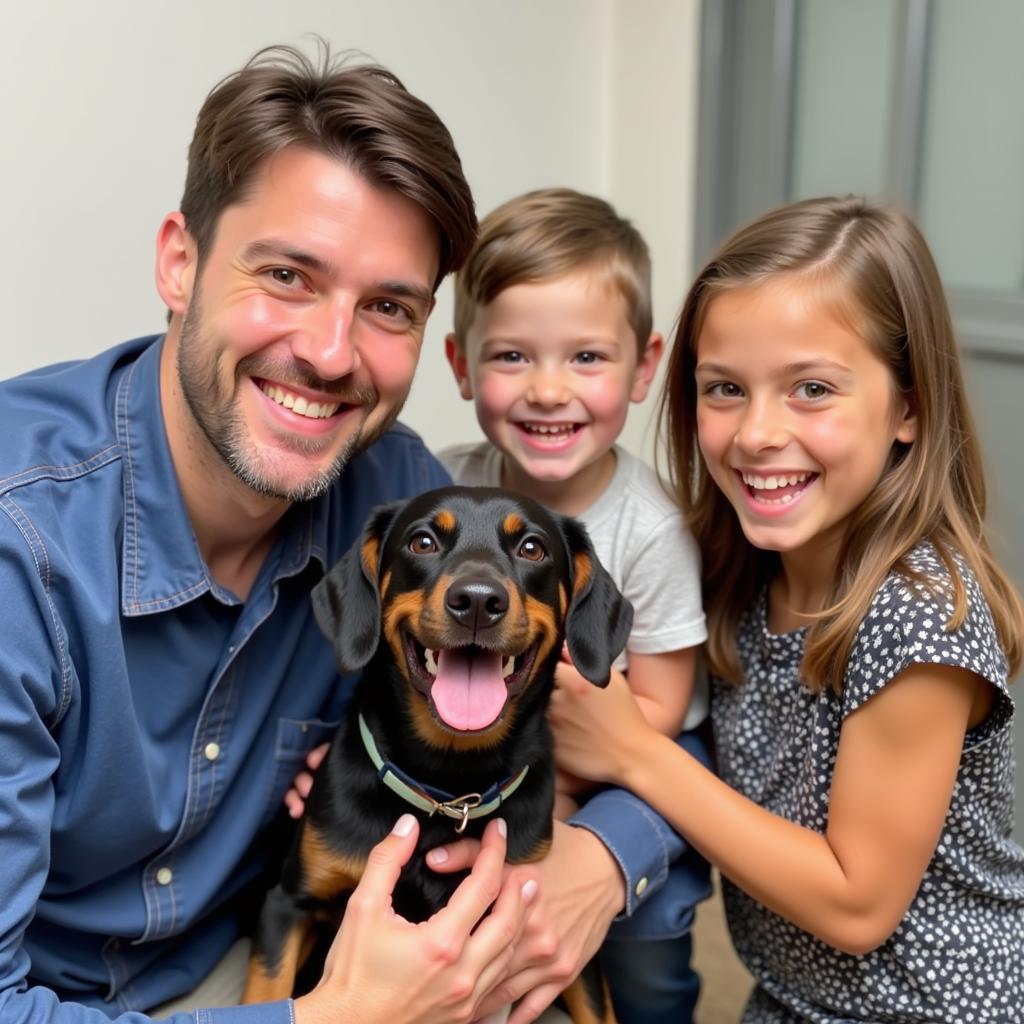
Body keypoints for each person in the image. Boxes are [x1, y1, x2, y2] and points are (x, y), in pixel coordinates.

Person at [0, 42, 683, 1024]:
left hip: (243, 962)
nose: (328, 353)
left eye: (387, 306)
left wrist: (599, 859)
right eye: (287, 275)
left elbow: (664, 735)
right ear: (179, 262)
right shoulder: (20, 540)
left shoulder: (401, 500)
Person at [548, 195, 1024, 1023]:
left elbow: (855, 905)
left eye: (811, 388)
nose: (758, 433)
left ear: (908, 406)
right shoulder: (738, 569)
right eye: (725, 389)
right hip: (793, 998)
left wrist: (632, 752)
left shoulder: (918, 616)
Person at [437, 188, 710, 1024]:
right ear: (458, 364)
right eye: (512, 357)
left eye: (587, 359)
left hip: (607, 782)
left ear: (644, 366)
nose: (548, 390)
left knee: (648, 971)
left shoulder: (650, 529)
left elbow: (662, 707)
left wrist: (557, 785)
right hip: (478, 778)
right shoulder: (445, 487)